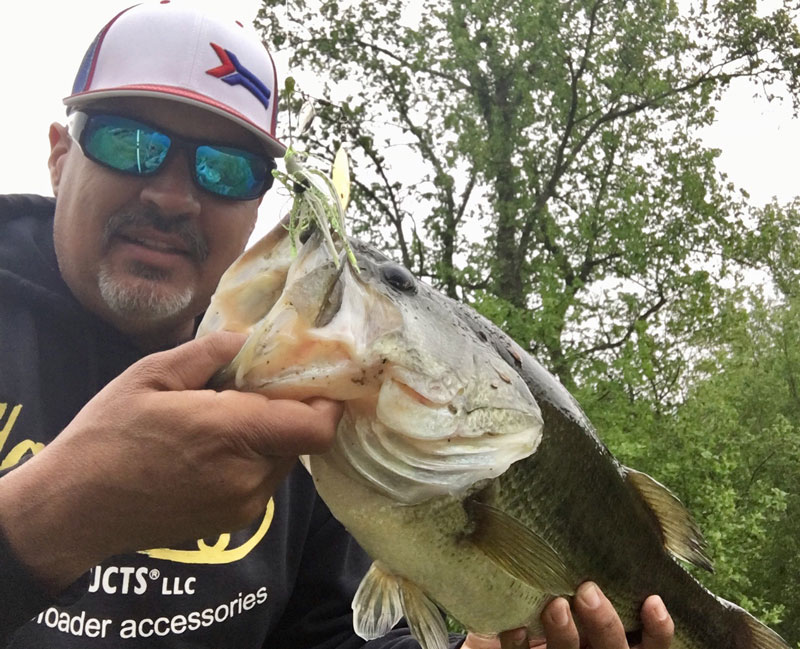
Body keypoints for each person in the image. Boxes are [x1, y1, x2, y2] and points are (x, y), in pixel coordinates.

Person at [0, 2, 674, 648]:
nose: (173, 194)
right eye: (130, 142)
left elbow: (326, 634)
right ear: (60, 154)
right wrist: (57, 515)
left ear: (260, 200)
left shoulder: (307, 391)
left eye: (225, 168)